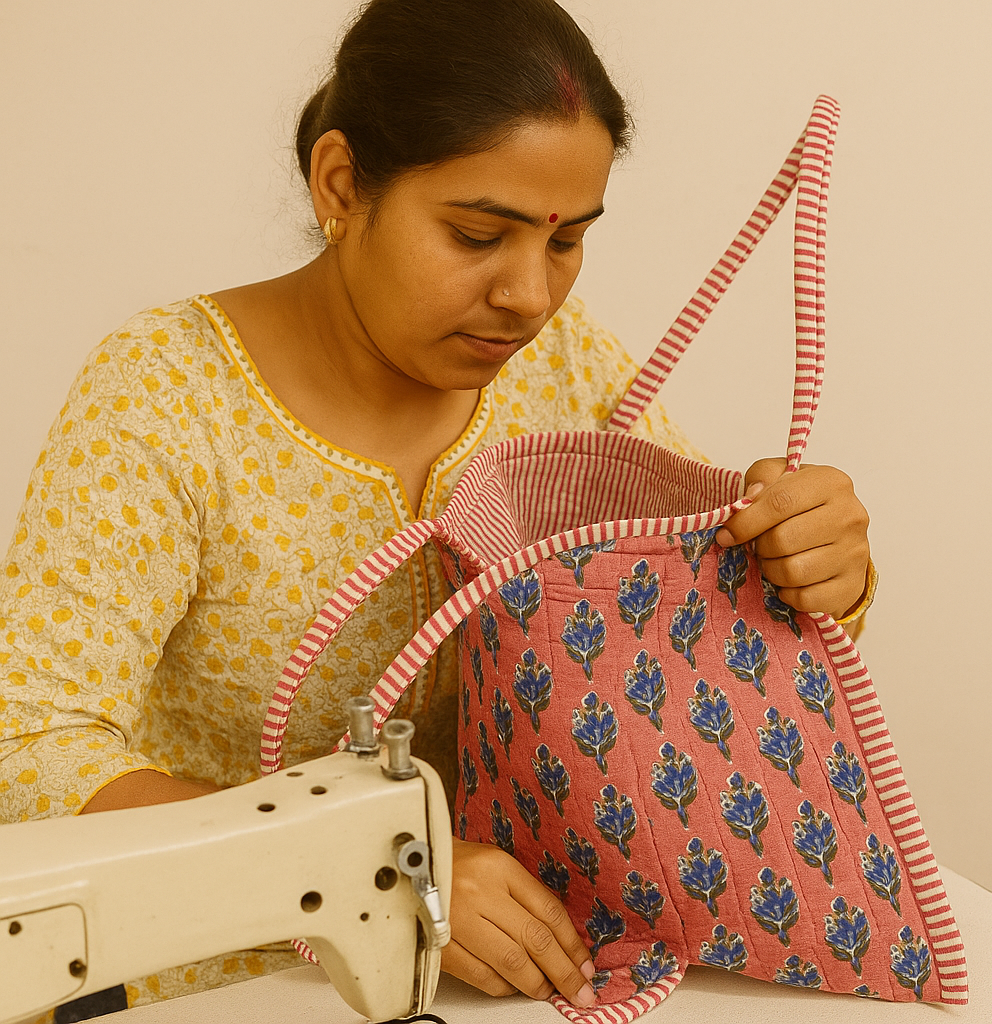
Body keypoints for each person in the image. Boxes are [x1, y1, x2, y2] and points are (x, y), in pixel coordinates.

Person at [0, 0, 872, 1016]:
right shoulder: (165, 394)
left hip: (516, 974)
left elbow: (684, 640)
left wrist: (811, 569)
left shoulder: (565, 367)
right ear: (340, 185)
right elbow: (30, 743)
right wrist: (366, 858)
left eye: (566, 242)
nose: (529, 296)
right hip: (214, 983)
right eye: (475, 233)